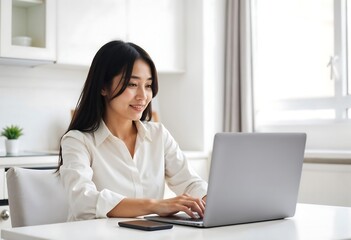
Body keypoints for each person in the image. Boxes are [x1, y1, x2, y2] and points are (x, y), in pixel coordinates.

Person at [57, 40, 208, 221]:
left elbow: (190, 182)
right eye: (132, 84)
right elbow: (83, 202)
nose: (143, 97)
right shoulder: (77, 141)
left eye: (148, 85)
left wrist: (209, 202)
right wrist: (156, 206)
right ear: (103, 87)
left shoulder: (158, 135)